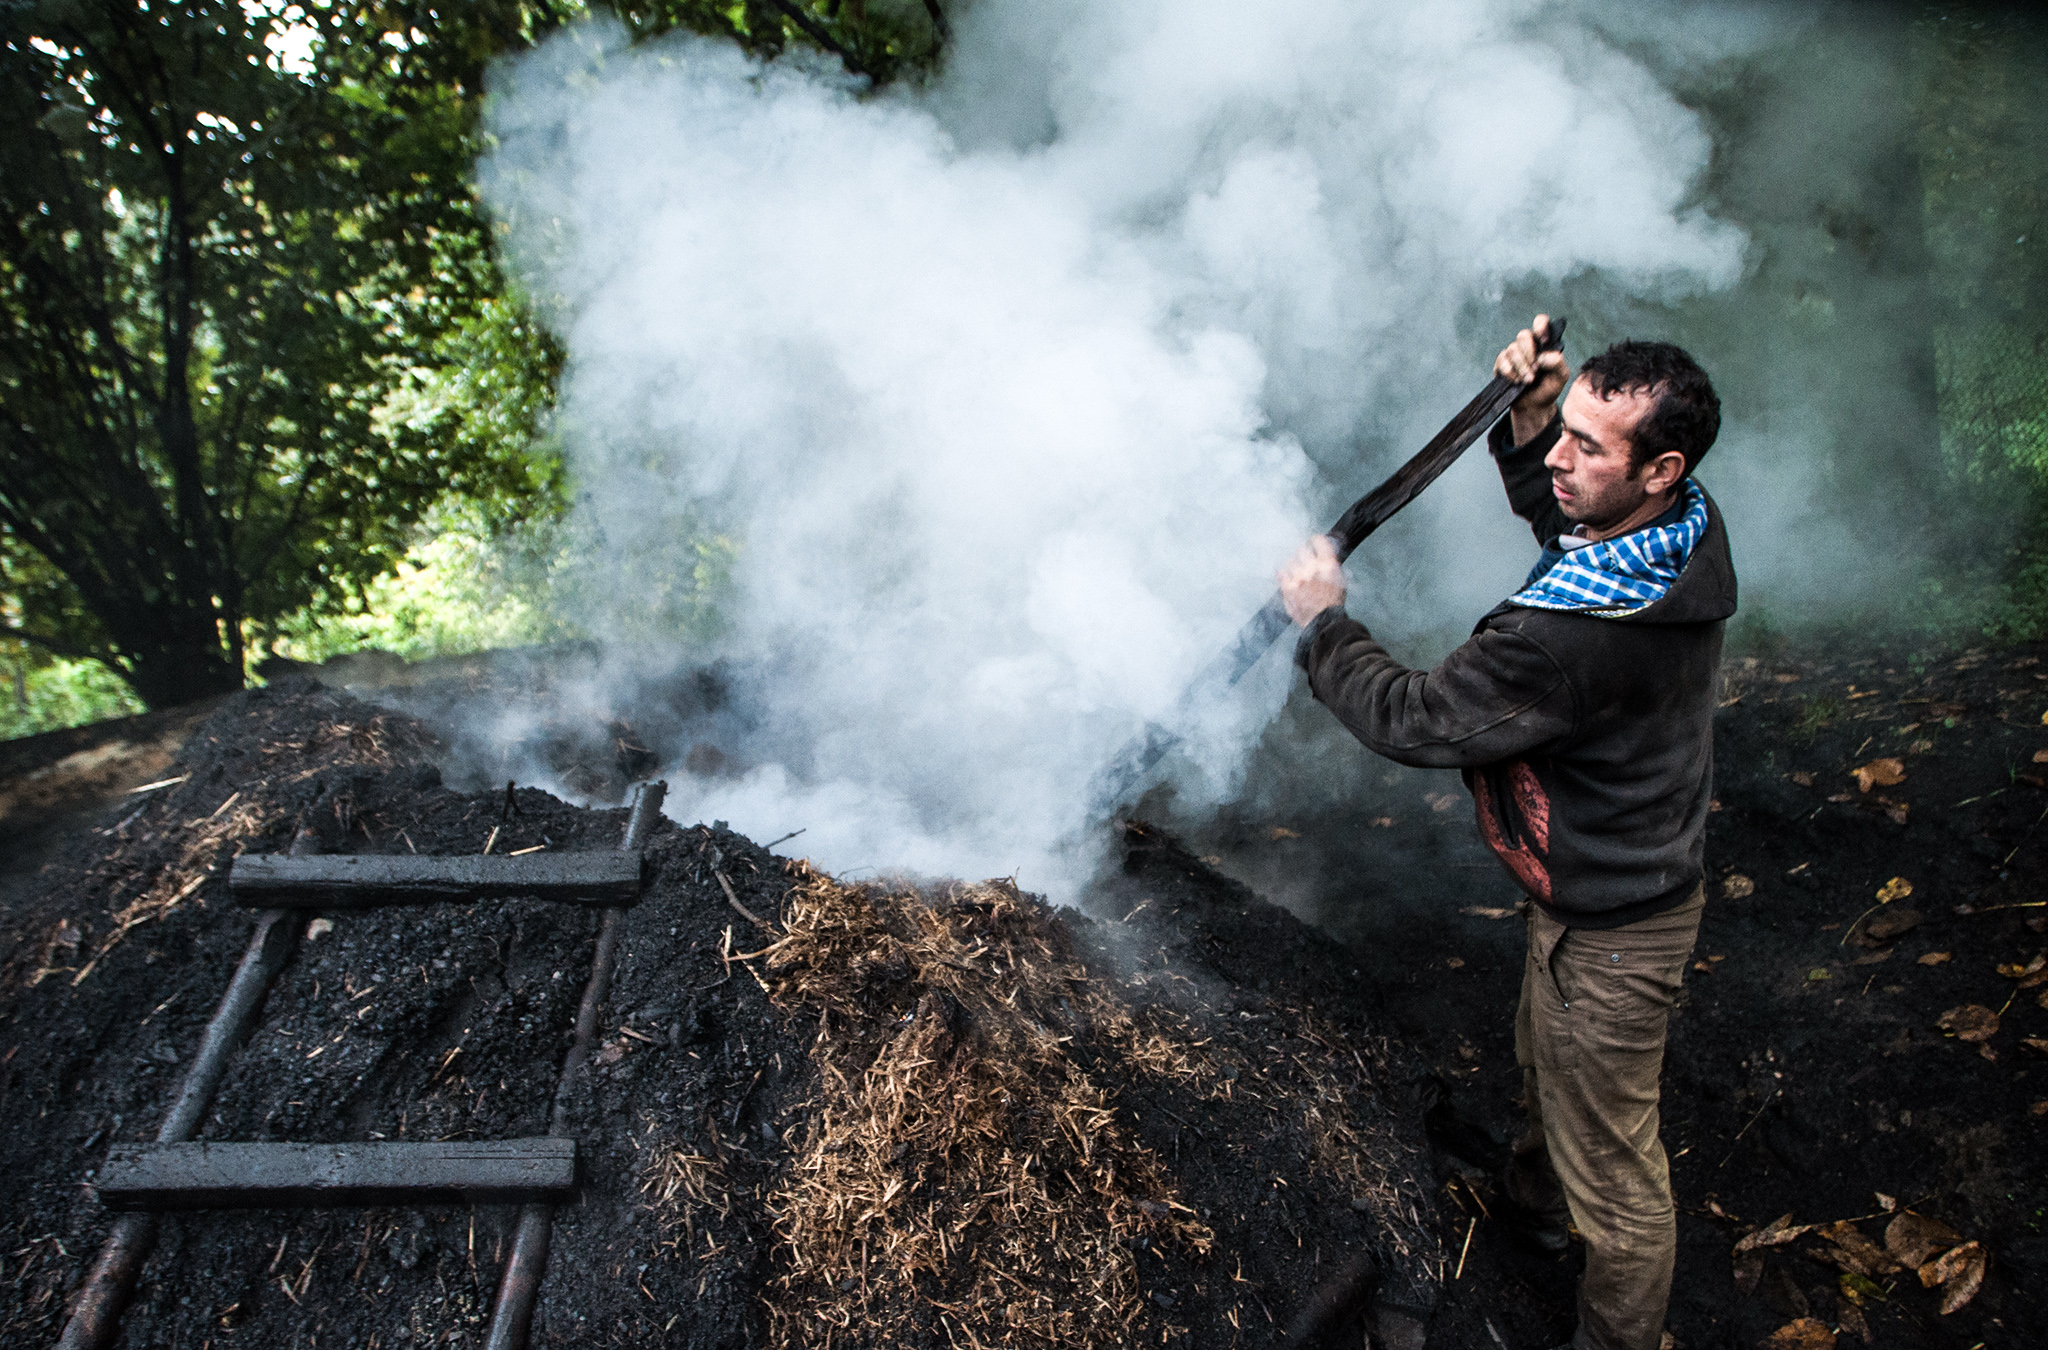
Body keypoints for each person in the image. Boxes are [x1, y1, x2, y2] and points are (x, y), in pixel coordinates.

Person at [1275, 315, 1735, 1350]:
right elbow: (1565, 519)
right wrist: (1530, 411)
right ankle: (1530, 1210)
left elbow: (1412, 716)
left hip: (1615, 924)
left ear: (1659, 467)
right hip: (1595, 888)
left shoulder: (1567, 638)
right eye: (1560, 431)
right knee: (1547, 1058)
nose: (1558, 463)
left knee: (1617, 1180)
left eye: (1585, 446)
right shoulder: (1676, 532)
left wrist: (1321, 624)